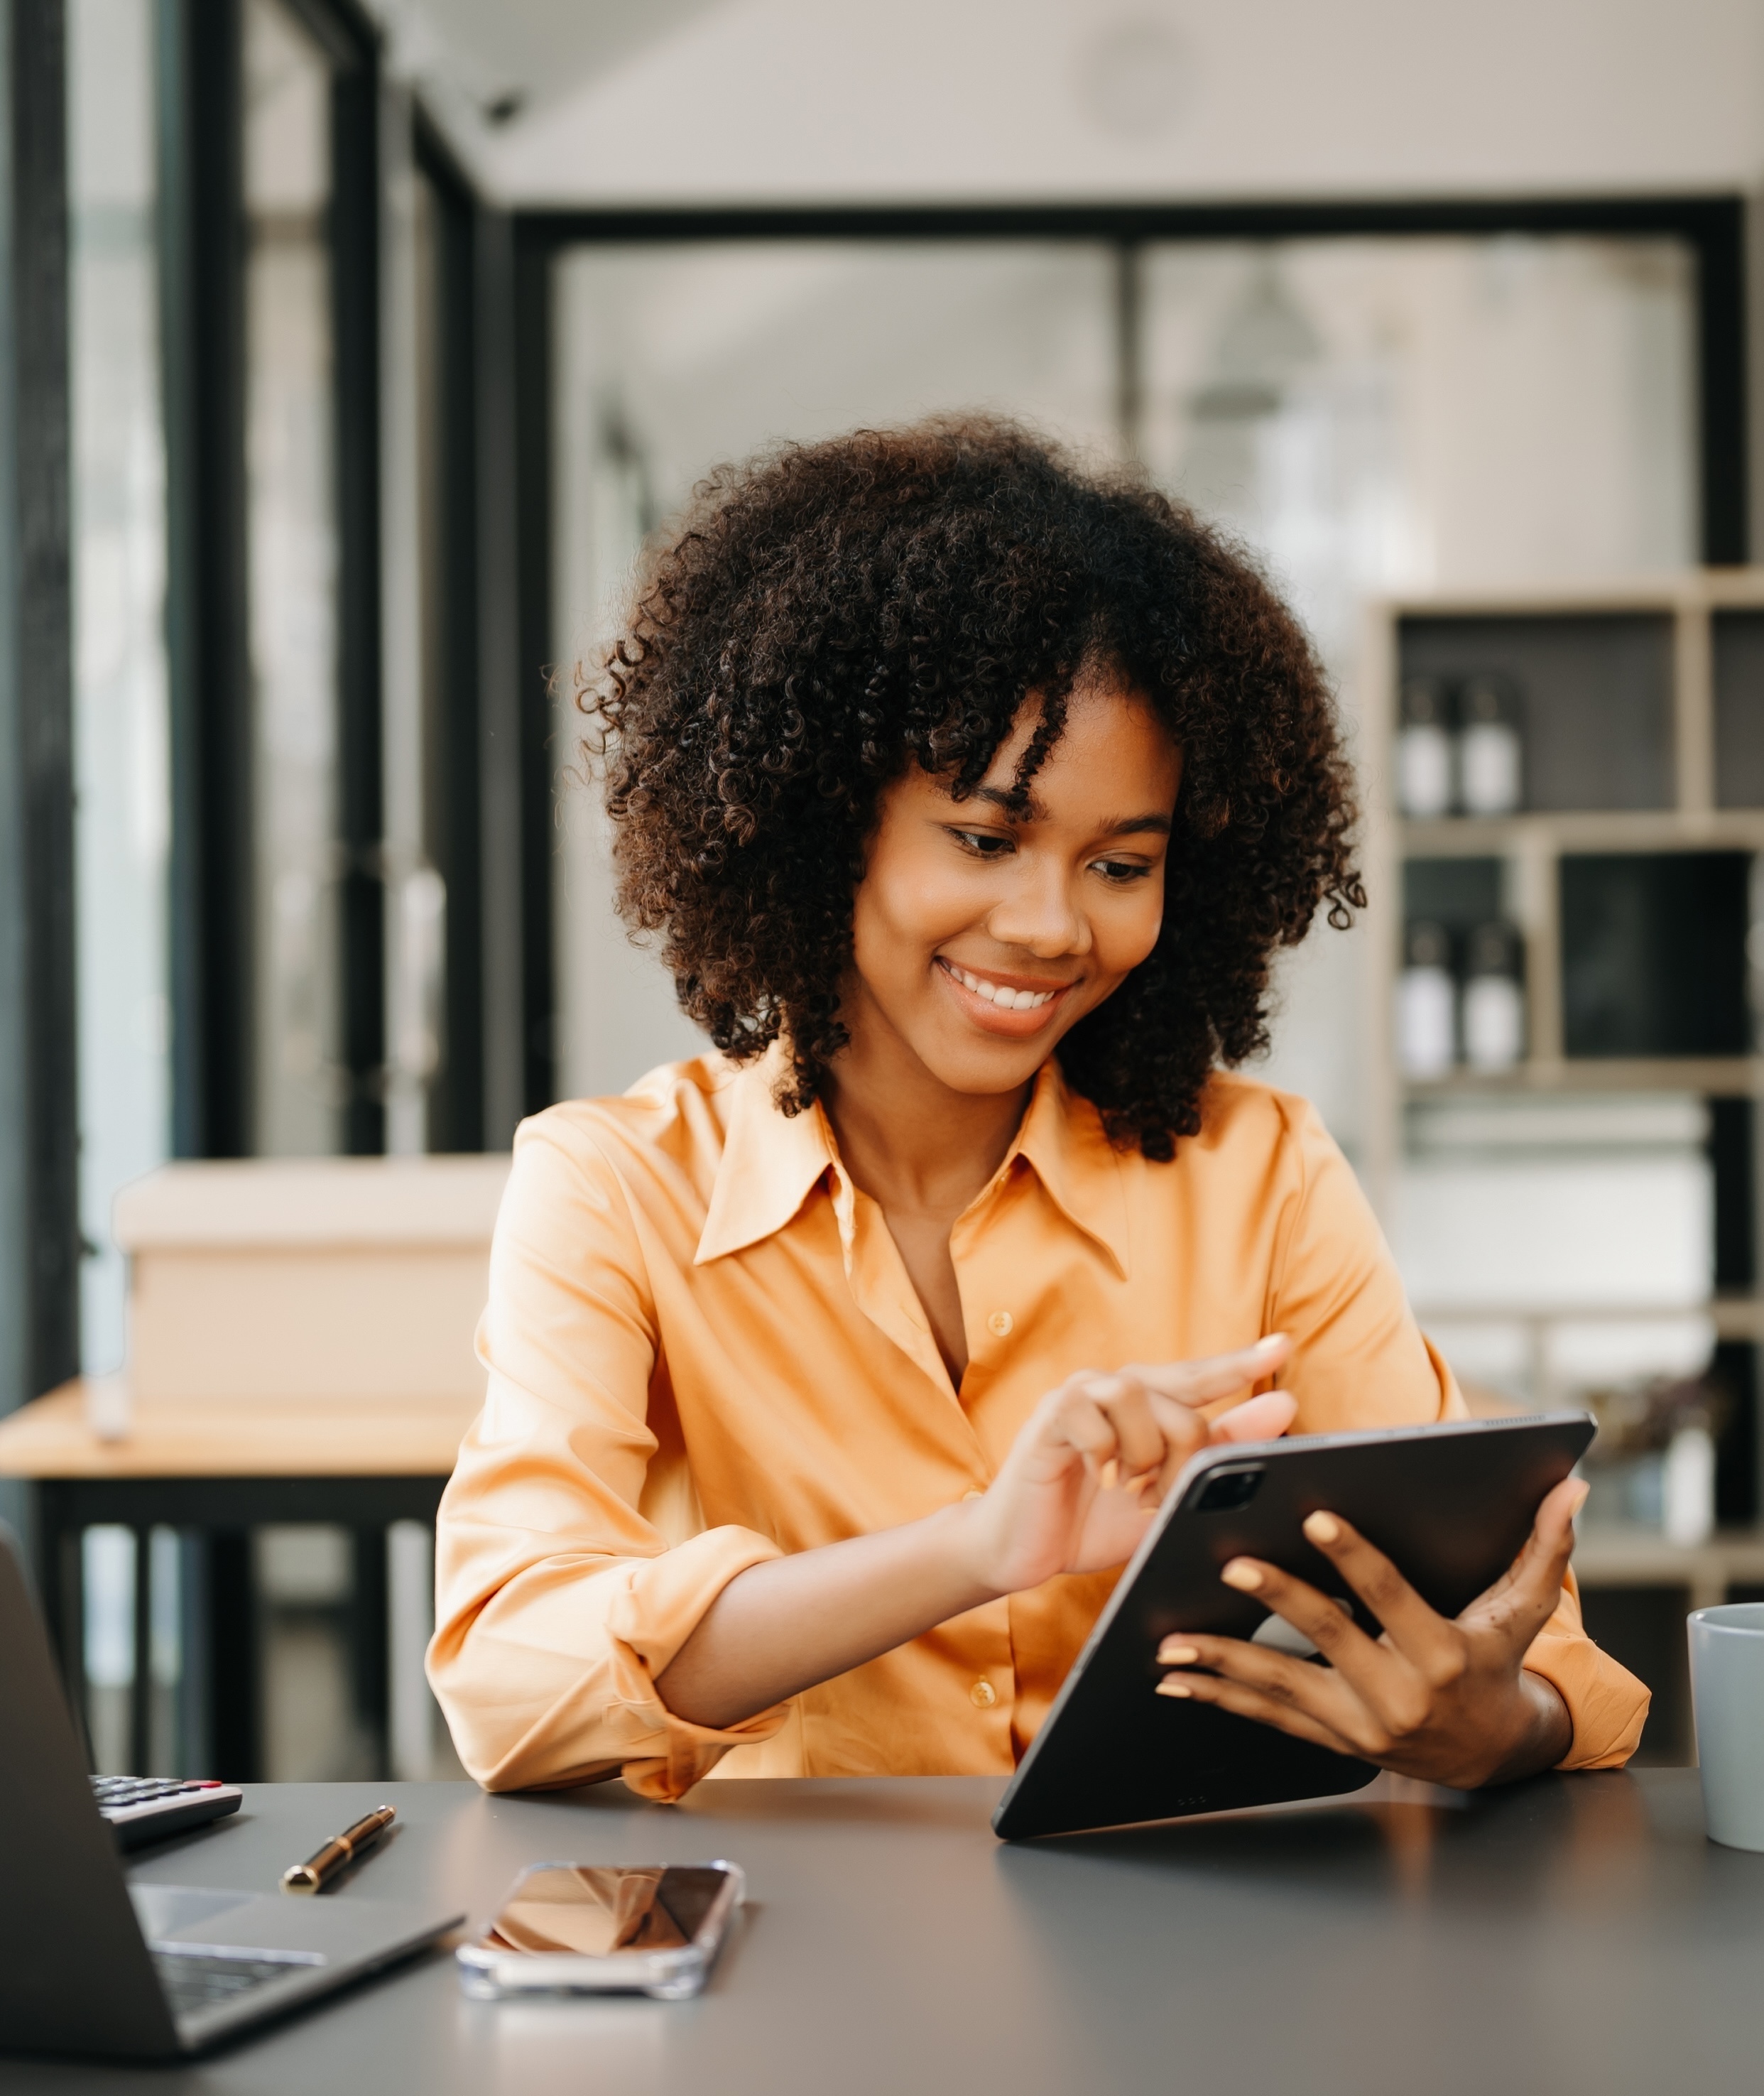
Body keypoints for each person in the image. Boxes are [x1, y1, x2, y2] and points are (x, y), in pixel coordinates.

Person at [428, 418, 1647, 1800]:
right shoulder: (613, 1187)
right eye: (986, 839)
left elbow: (1541, 1662)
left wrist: (1495, 1725)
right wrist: (974, 1548)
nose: (1051, 925)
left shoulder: (1264, 1175)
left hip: (1189, 1915)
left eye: (1121, 865)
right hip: (785, 1924)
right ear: (827, 822)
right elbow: (511, 1683)